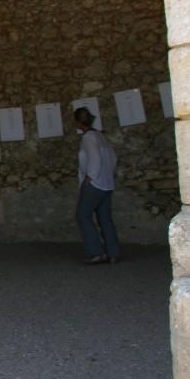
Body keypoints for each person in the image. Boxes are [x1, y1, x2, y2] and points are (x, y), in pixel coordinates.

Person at [74, 106, 120, 264]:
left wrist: (90, 177)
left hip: (95, 183)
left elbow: (94, 158)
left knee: (82, 215)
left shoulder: (88, 138)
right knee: (105, 218)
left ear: (78, 123)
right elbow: (113, 157)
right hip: (107, 183)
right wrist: (108, 173)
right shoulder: (100, 136)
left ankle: (97, 252)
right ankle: (113, 252)